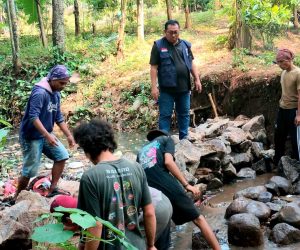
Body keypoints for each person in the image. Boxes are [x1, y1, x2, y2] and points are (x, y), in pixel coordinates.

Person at [73, 119, 157, 250]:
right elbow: (149, 212)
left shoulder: (90, 177)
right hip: (136, 246)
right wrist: (151, 245)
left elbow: (95, 225)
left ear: (87, 148)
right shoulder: (136, 167)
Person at [137, 129, 220, 250]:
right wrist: (187, 185)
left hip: (150, 192)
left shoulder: (141, 152)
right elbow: (168, 162)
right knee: (198, 219)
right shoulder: (166, 139)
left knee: (163, 222)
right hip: (167, 184)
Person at [15, 65, 75, 199]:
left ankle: (52, 189)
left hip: (45, 134)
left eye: (65, 83)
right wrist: (47, 135)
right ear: (52, 79)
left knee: (62, 155)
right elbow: (33, 116)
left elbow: (58, 116)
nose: (63, 86)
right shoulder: (40, 93)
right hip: (32, 136)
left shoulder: (56, 93)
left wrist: (69, 135)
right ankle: (17, 196)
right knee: (30, 171)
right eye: (61, 83)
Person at [150, 19, 202, 140]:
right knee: (165, 116)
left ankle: (184, 140)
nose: (173, 35)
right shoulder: (158, 46)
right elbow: (153, 68)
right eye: (170, 32)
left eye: (176, 32)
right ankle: (162, 142)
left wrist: (197, 79)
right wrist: (154, 87)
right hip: (166, 90)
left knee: (184, 114)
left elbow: (192, 63)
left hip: (184, 89)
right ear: (165, 32)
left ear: (179, 31)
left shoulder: (185, 45)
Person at [274, 49, 300, 165]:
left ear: (289, 60)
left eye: (281, 62)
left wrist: (299, 115)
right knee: (279, 136)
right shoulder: (284, 72)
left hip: (293, 111)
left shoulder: (298, 73)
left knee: (296, 140)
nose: (279, 65)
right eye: (277, 62)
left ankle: (297, 165)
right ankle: (277, 162)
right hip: (282, 109)